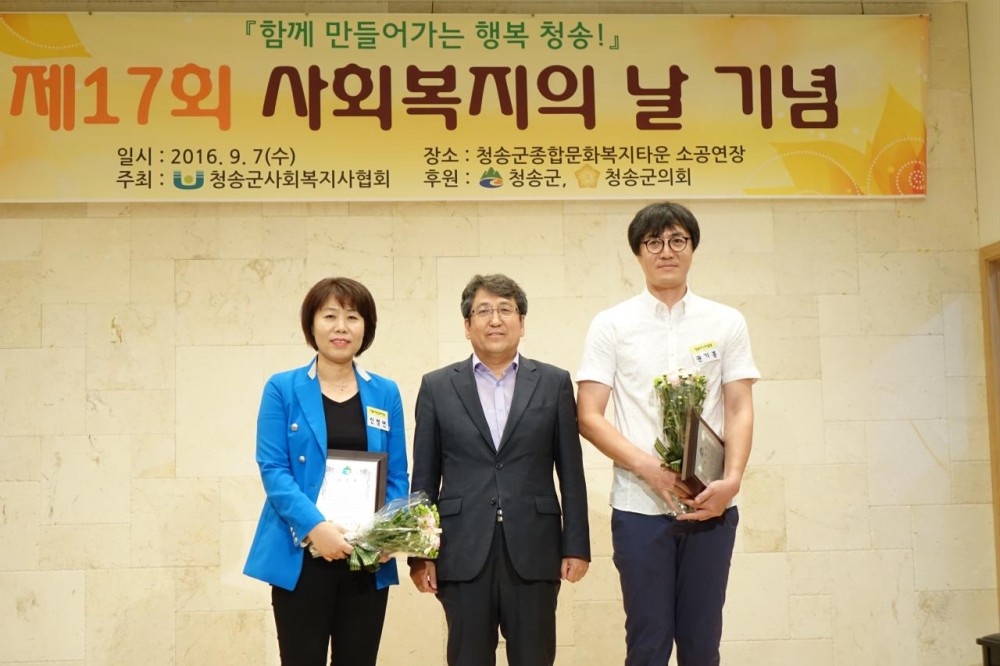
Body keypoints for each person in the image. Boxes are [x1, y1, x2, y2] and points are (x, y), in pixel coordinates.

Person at [576, 202, 759, 666]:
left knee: (702, 643)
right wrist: (649, 469)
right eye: (653, 242)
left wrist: (732, 480)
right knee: (647, 643)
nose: (666, 251)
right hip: (639, 508)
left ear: (692, 248)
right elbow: (589, 415)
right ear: (638, 253)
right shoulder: (611, 325)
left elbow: (739, 406)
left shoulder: (725, 322)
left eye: (678, 240)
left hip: (710, 505)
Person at [409, 273, 591, 666]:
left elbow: (571, 472)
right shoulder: (437, 387)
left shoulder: (554, 382)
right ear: (467, 325)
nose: (495, 319)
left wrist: (576, 545)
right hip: (461, 550)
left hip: (535, 548)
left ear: (522, 323)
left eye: (505, 310)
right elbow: (423, 477)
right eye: (484, 311)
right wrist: (420, 554)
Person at [243, 277, 408, 666]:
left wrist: (386, 535)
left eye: (353, 317)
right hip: (301, 553)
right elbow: (274, 469)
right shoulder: (282, 388)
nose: (341, 327)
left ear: (366, 328)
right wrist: (316, 527)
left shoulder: (385, 392)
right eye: (330, 316)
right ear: (311, 324)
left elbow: (398, 474)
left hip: (366, 557)